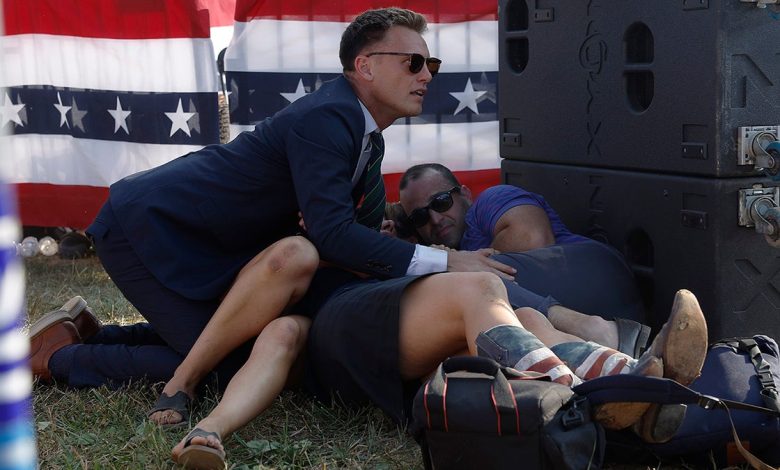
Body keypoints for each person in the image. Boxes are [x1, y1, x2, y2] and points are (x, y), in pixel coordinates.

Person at [27, 7, 516, 411]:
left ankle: (95, 332)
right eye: (414, 62)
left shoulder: (363, 134)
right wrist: (448, 261)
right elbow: (334, 236)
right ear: (365, 66)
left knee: (231, 339)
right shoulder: (330, 116)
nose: (426, 75)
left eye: (433, 65)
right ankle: (59, 358)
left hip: (206, 242)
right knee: (224, 364)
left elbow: (352, 247)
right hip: (149, 229)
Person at [396, 163, 651, 356]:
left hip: (592, 272)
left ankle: (600, 332)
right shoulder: (450, 254)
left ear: (464, 194)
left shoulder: (490, 199)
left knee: (461, 285)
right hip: (575, 304)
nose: (435, 219)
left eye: (441, 202)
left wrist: (460, 263)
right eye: (419, 217)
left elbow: (531, 237)